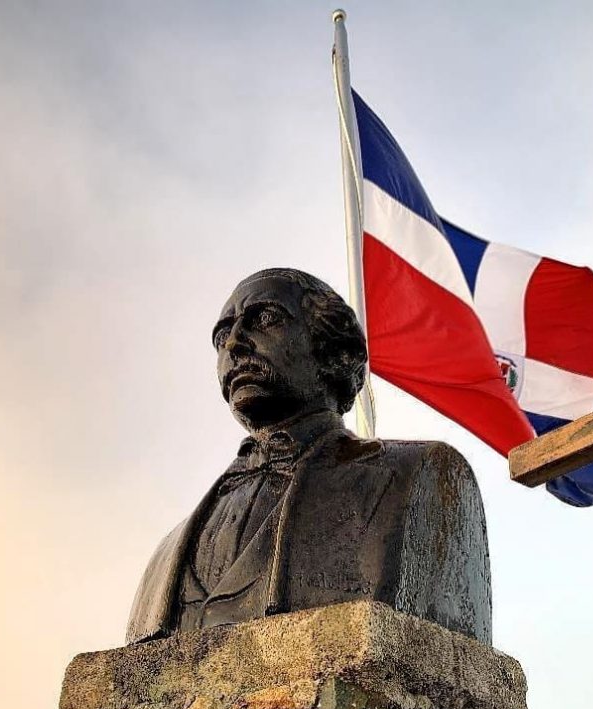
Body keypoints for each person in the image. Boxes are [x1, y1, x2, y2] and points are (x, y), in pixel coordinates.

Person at [127, 268, 491, 645]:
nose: (234, 344)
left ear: (334, 353)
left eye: (265, 319)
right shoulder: (167, 555)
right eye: (221, 336)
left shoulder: (416, 477)